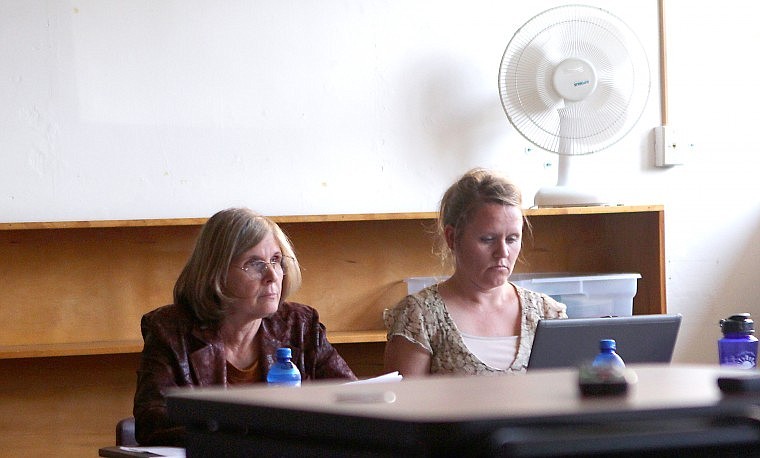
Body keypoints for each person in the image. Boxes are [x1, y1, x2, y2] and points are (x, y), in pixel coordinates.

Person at [133, 208, 356, 446]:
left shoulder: (300, 325)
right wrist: (251, 425)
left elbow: (350, 399)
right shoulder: (169, 330)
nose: (272, 275)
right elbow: (151, 423)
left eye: (276, 260)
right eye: (254, 264)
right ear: (216, 273)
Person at [383, 168, 566, 377]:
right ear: (452, 238)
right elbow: (405, 406)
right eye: (487, 239)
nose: (503, 252)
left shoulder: (547, 313)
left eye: (512, 239)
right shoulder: (418, 317)